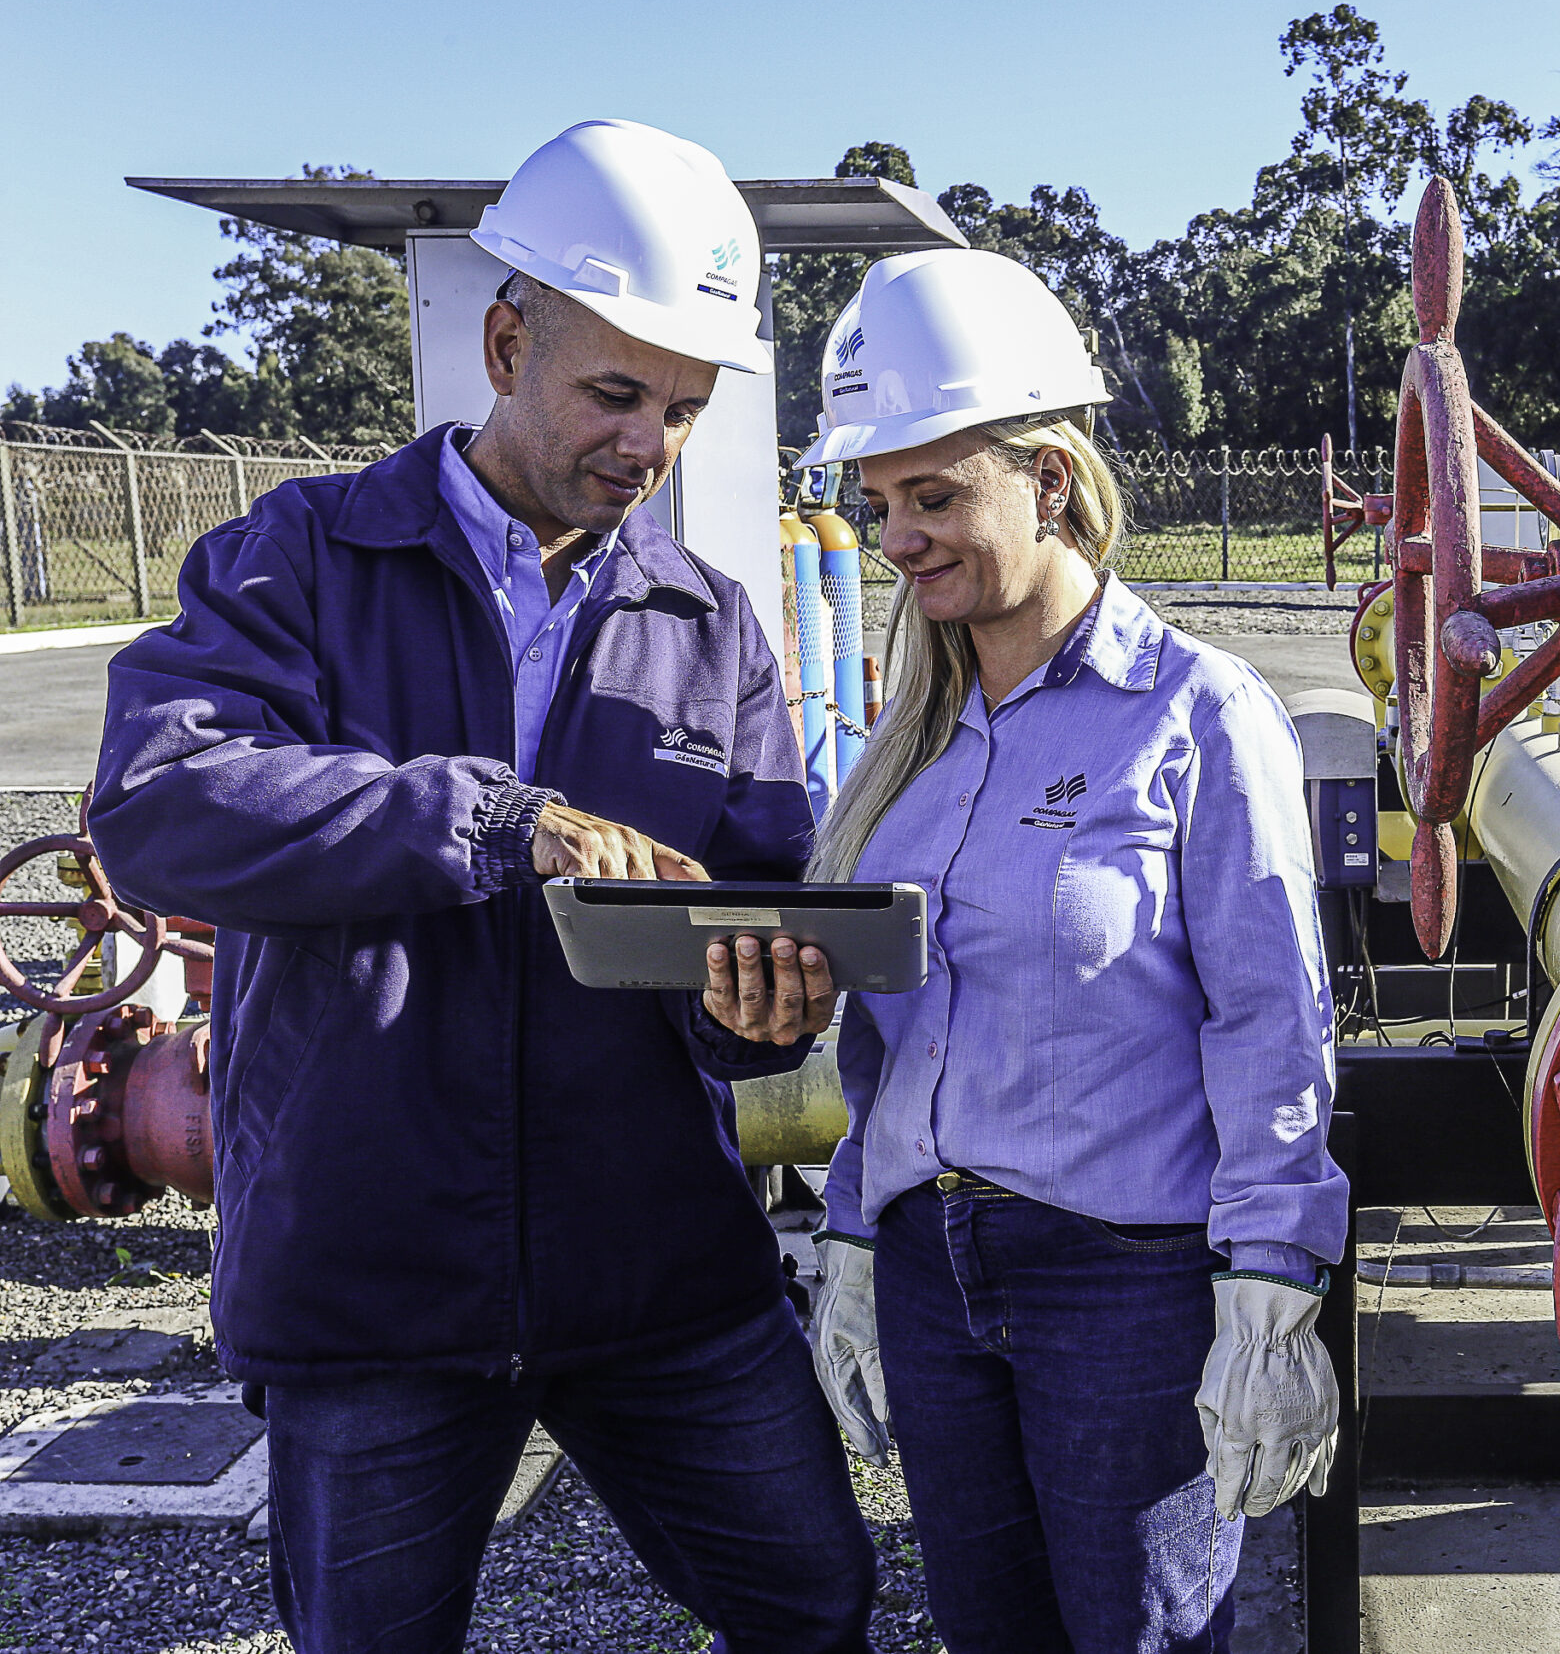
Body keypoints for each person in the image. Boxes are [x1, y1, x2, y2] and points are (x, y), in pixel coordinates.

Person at [88, 120, 875, 1654]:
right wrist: (496, 822)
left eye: (685, 410)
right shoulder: (302, 558)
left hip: (658, 1268)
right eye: (615, 393)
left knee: (818, 1602)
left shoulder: (710, 623)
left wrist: (762, 1011)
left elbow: (759, 894)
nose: (649, 445)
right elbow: (160, 807)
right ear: (507, 342)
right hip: (375, 1283)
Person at [795, 250, 1349, 1654]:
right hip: (930, 1270)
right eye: (879, 505)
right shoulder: (909, 753)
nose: (899, 536)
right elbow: (893, 1042)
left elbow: (1272, 1017)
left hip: (1123, 1285)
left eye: (933, 496)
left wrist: (1274, 1281)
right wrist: (853, 1234)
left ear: (1049, 478)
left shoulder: (1197, 715)